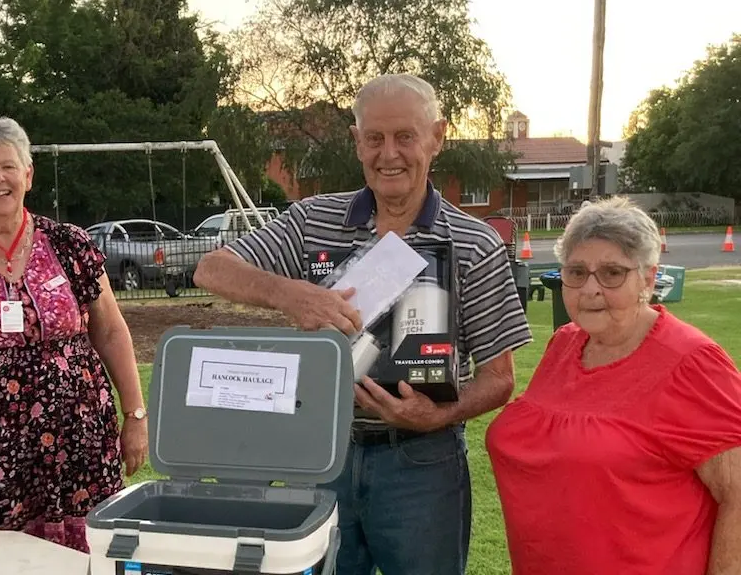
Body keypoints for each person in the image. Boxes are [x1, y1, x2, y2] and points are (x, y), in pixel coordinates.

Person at [194, 74, 533, 575]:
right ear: (356, 142)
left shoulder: (474, 243)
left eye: (405, 136)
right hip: (321, 453)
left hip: (421, 463)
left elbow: (499, 377)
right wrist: (290, 293)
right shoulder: (313, 220)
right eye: (374, 138)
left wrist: (437, 415)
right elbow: (211, 269)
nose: (388, 153)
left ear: (436, 137)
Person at [0, 116, 148, 552]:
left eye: (8, 166)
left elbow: (110, 331)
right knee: (2, 557)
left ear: (28, 175)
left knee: (89, 553)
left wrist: (135, 416)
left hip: (80, 440)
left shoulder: (70, 244)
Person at [486, 197, 741, 574]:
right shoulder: (566, 343)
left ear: (649, 279)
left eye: (611, 273)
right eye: (576, 272)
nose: (590, 289)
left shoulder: (692, 363)